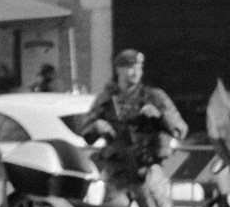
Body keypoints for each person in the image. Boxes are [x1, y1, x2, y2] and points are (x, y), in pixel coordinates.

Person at [81, 49, 189, 185]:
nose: (136, 72)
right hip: (118, 172)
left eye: (139, 68)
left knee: (153, 205)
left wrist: (159, 117)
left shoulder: (154, 97)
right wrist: (96, 126)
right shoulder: (106, 99)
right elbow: (86, 133)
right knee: (114, 206)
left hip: (148, 170)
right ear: (119, 70)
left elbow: (180, 129)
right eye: (131, 68)